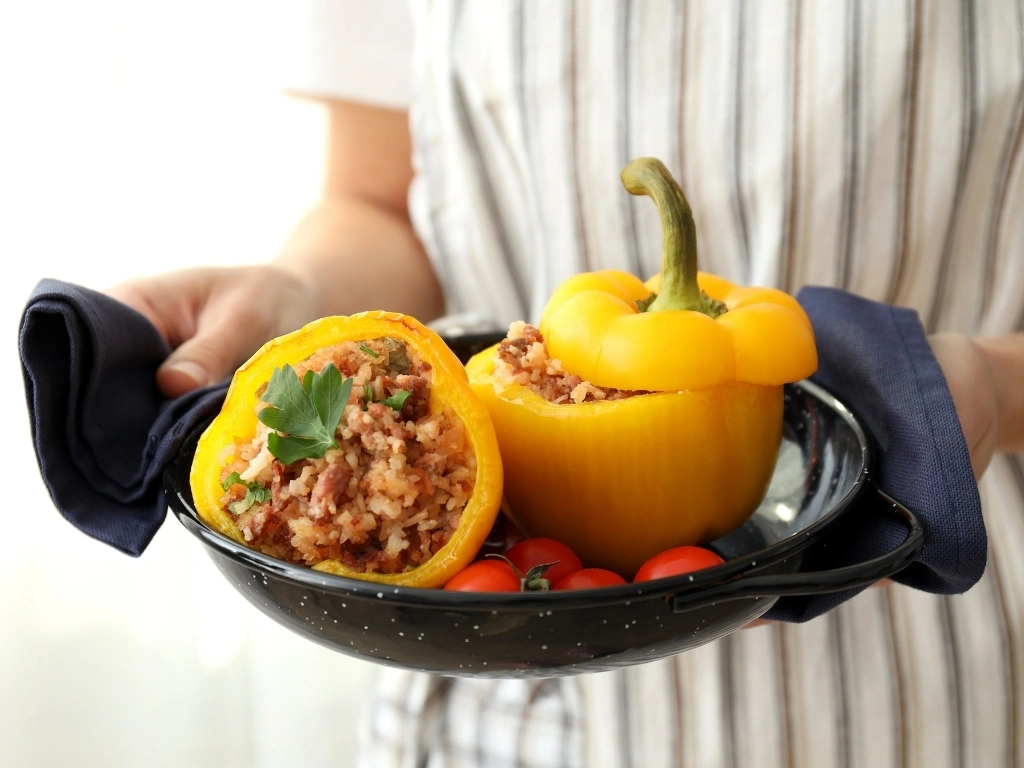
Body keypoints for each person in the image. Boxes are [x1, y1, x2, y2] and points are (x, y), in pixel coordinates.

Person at [108, 2, 1024, 766]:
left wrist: (982, 386)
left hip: (916, 686)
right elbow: (381, 199)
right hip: (497, 689)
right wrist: (301, 291)